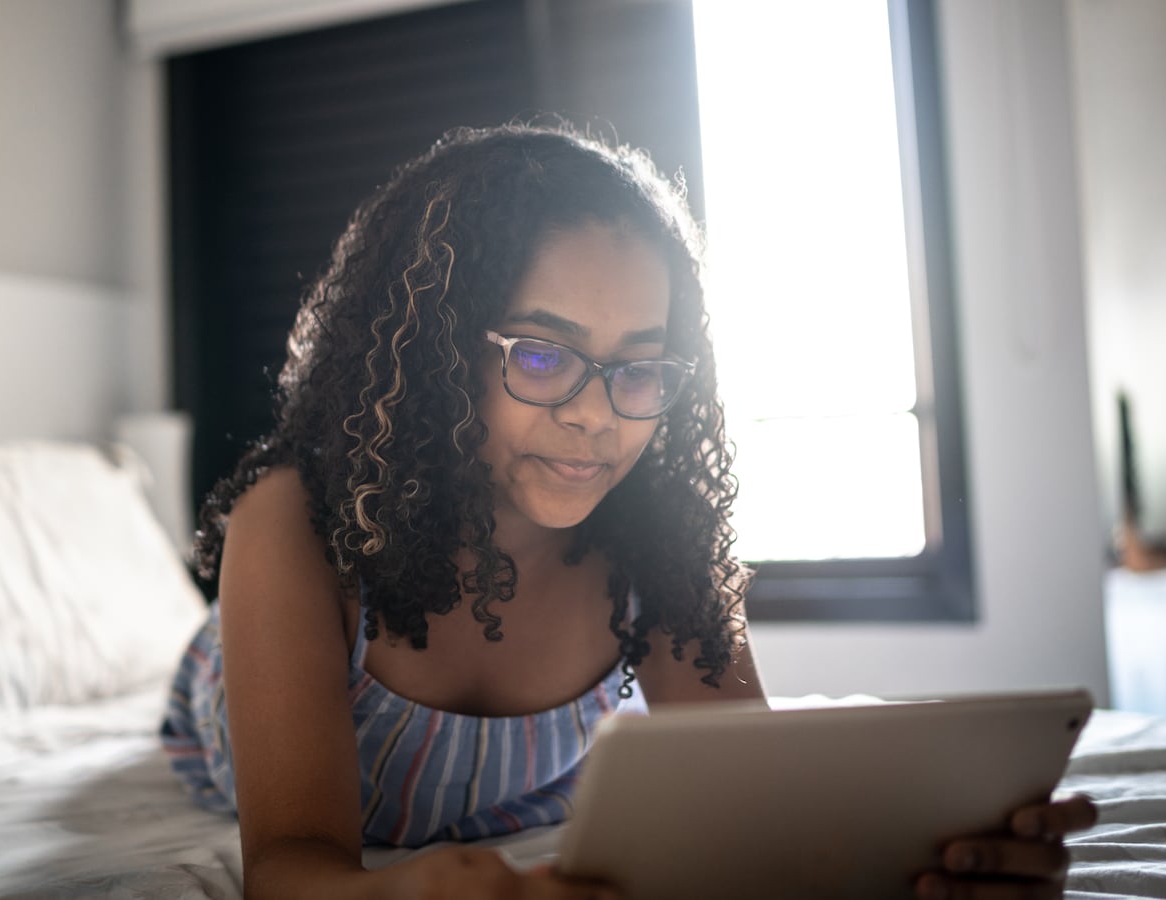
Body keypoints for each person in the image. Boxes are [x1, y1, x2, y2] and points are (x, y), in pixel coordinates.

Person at [159, 123, 1095, 899]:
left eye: (638, 368)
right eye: (540, 355)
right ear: (436, 359)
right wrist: (411, 891)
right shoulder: (295, 526)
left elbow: (763, 802)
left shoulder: (657, 541)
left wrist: (942, 866)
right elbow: (288, 866)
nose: (596, 414)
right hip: (234, 681)